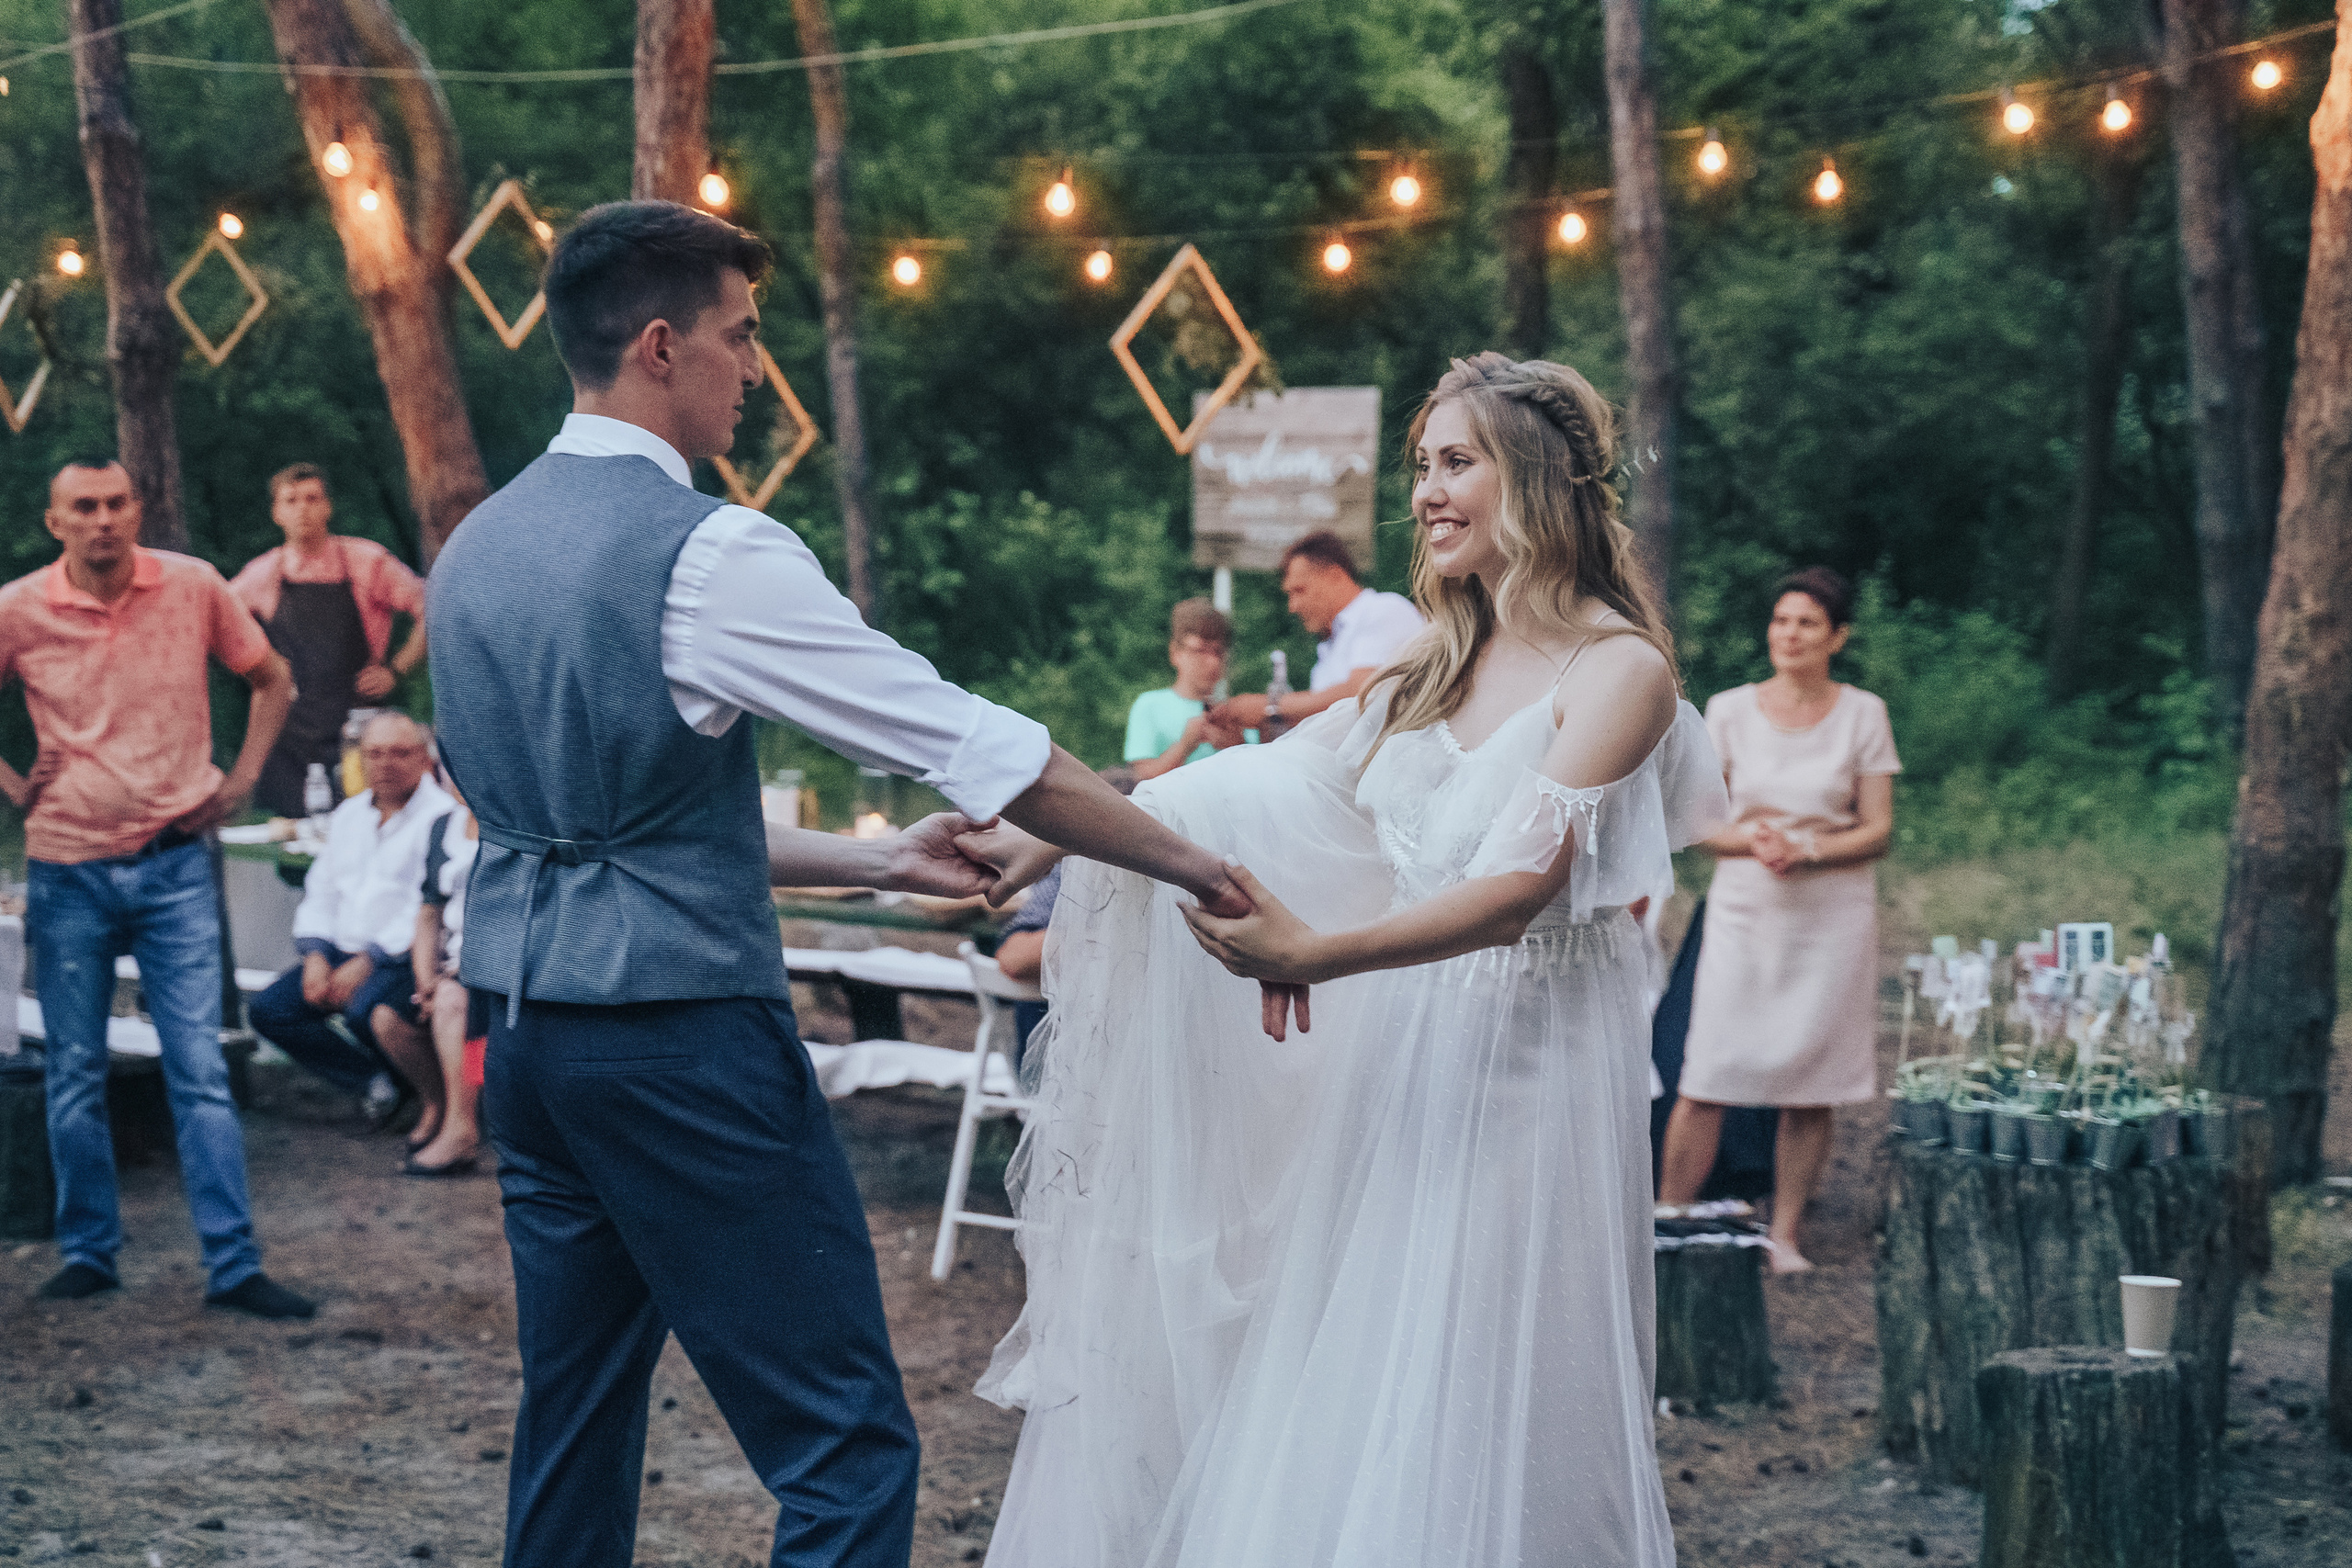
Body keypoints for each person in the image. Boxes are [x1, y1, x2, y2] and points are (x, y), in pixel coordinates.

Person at [425, 200, 1250, 1568]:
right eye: (741, 338)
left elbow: (589, 818)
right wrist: (1201, 865)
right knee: (847, 1446)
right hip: (682, 1041)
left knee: (572, 1421)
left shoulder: (475, 549)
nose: (757, 369)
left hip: (526, 1036)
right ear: (656, 347)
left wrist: (872, 856)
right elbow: (973, 744)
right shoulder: (712, 551)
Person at [960, 353, 1725, 1566]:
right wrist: (1057, 823)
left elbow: (1518, 888)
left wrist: (1317, 949)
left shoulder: (1620, 668)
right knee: (1370, 1348)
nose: (1425, 491)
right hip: (1405, 1059)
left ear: (1540, 477)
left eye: (1457, 461)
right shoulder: (1430, 665)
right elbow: (1258, 781)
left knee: (1485, 1356)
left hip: (1534, 1074)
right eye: (1421, 464)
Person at [0, 457, 313, 1319]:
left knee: (200, 1065)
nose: (102, 519)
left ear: (137, 510)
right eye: (83, 507)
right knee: (73, 1067)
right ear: (54, 520)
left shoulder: (191, 585)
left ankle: (234, 1264)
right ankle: (90, 1251)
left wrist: (242, 779)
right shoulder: (20, 607)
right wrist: (14, 783)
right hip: (67, 864)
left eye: (115, 503)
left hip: (176, 858)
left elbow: (271, 677)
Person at [1657, 566, 1899, 1273]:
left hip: (1832, 912)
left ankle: (1784, 1232)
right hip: (1747, 904)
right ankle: (1668, 1218)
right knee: (1709, 1069)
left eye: (1806, 623)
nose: (1788, 634)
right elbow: (1699, 822)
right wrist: (1755, 841)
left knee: (1811, 1079)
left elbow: (1878, 828)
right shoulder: (1729, 709)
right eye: (1781, 620)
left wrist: (1812, 846)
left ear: (1838, 637)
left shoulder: (1864, 712)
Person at [248, 714, 450, 1130]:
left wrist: (368, 961)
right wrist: (316, 955)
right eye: (374, 754)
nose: (386, 763)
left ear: (426, 758)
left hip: (405, 956)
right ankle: (377, 1082)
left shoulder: (441, 817)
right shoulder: (349, 815)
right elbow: (321, 891)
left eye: (400, 752)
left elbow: (427, 909)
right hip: (340, 947)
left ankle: (415, 1087)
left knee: (364, 1008)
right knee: (271, 1010)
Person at [228, 464, 427, 817]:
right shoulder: (262, 575)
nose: (302, 508)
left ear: (328, 507)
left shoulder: (367, 562)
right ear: (277, 512)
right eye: (291, 500)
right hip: (289, 736)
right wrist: (258, 672)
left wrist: (397, 669)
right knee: (293, 850)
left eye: (312, 498)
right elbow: (218, 628)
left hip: (360, 732)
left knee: (369, 831)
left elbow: (432, 607)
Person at [1210, 528, 1424, 734]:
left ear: (1335, 576)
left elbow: (1365, 692)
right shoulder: (1329, 648)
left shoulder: (1383, 609)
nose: (1292, 606)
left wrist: (1272, 706)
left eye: (1300, 590)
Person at [402, 776, 484, 1176]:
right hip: (451, 962)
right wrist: (425, 978)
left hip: (499, 959)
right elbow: (429, 911)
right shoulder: (444, 826)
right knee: (393, 1013)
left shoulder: (514, 823)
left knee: (456, 1003)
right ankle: (435, 1107)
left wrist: (466, 967)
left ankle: (461, 1127)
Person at [1124, 600, 1249, 781]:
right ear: (1175, 652)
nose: (1213, 662)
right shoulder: (1149, 706)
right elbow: (1138, 780)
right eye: (1201, 650)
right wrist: (1184, 746)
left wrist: (1237, 744)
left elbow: (1258, 781)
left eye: (1218, 652)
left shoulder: (1237, 714)